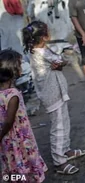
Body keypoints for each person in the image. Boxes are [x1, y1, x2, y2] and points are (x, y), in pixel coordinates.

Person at [22, 21, 85, 175]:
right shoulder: (42, 52)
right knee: (58, 127)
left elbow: (57, 64)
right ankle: (59, 161)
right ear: (44, 37)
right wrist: (65, 57)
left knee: (64, 123)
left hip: (57, 92)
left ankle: (65, 150)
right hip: (52, 95)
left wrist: (59, 63)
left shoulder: (38, 49)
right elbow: (61, 61)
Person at [0, 49, 48, 182]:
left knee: (12, 162)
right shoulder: (13, 95)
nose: (22, 67)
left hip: (6, 140)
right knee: (23, 161)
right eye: (20, 65)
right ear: (14, 70)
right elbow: (9, 121)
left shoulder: (2, 93)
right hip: (18, 139)